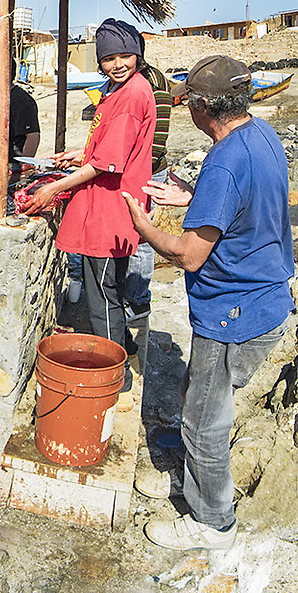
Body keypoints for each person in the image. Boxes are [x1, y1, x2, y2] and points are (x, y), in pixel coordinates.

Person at [122, 55, 293, 551]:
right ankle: (185, 471)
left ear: (201, 107)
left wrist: (144, 226)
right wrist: (196, 196)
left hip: (233, 310)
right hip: (265, 294)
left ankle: (212, 521)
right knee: (197, 390)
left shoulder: (223, 162)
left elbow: (190, 255)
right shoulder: (259, 136)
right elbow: (243, 202)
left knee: (204, 417)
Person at [24, 19, 156, 361]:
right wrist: (78, 154)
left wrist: (55, 187)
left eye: (125, 56)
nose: (117, 65)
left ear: (137, 55)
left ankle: (115, 368)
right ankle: (124, 346)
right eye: (109, 59)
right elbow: (108, 148)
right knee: (111, 284)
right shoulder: (127, 89)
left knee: (102, 291)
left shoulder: (130, 96)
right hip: (115, 199)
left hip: (110, 205)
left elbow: (105, 163)